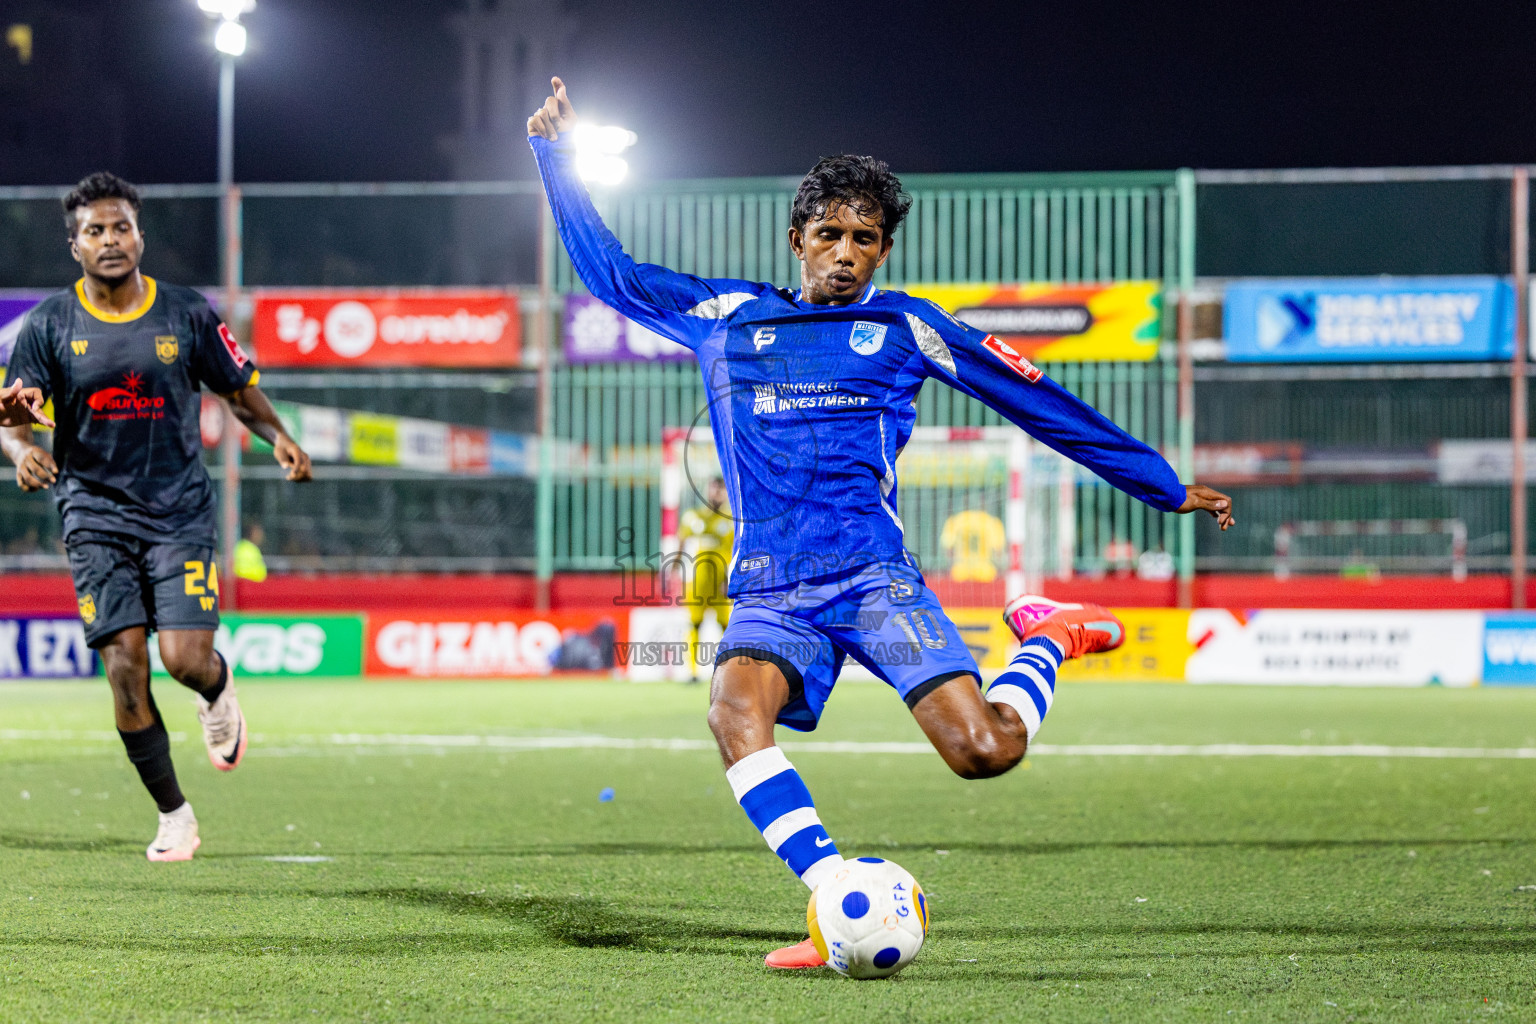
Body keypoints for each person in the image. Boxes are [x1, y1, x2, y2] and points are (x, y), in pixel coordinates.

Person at [528, 79, 1234, 968]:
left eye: (866, 239)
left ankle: (1047, 640)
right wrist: (555, 158)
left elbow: (1035, 399)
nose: (846, 254)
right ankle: (831, 893)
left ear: (885, 251)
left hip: (871, 581)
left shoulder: (908, 328)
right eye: (830, 234)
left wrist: (1163, 484)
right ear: (797, 240)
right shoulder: (729, 318)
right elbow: (612, 276)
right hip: (774, 590)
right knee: (733, 713)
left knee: (983, 752)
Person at [0, 172, 313, 862]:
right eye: (94, 231)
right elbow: (13, 417)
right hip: (92, 513)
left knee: (183, 659)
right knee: (124, 664)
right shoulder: (50, 324)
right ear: (74, 246)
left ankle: (217, 685)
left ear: (140, 234)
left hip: (178, 513)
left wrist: (280, 436)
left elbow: (239, 390)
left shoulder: (186, 313)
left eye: (120, 227)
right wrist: (20, 448)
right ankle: (174, 815)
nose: (109, 240)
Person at [676, 475, 734, 680]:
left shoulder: (731, 521)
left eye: (721, 489)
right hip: (696, 583)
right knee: (694, 623)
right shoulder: (693, 518)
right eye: (714, 488)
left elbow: (733, 554)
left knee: (725, 626)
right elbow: (681, 544)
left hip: (720, 582)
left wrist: (729, 580)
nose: (717, 493)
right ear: (706, 489)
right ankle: (691, 671)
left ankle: (725, 670)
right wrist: (675, 570)